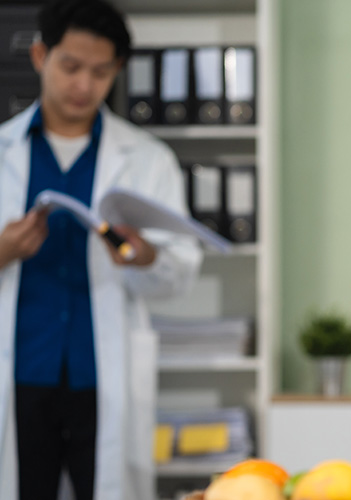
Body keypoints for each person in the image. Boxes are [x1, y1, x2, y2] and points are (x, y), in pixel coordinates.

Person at [0, 0, 202, 498]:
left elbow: (182, 271)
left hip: (102, 375)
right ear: (41, 56)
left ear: (118, 70)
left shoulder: (149, 159)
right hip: (20, 371)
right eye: (70, 67)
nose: (83, 85)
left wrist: (145, 256)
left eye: (100, 72)